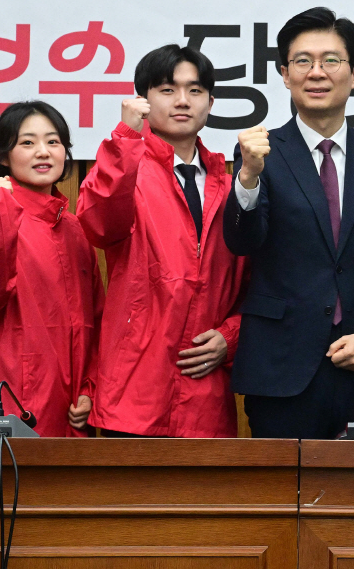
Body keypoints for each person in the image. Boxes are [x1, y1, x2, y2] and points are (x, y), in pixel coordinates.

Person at [224, 8, 354, 439]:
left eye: (331, 60)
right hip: (281, 367)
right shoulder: (261, 154)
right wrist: (247, 177)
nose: (316, 72)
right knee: (283, 483)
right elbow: (242, 241)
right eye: (302, 61)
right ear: (285, 74)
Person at [77, 44, 246, 437]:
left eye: (195, 90)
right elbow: (98, 223)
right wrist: (125, 138)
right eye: (167, 90)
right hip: (133, 394)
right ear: (143, 100)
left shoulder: (233, 184)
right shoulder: (127, 168)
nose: (182, 101)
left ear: (211, 103)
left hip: (205, 399)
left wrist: (232, 336)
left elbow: (261, 281)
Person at [0, 101, 101, 437]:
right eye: (27, 142)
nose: (43, 152)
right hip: (7, 405)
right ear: (2, 156)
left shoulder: (76, 230)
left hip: (70, 411)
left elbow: (96, 319)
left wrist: (90, 389)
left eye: (53, 141)